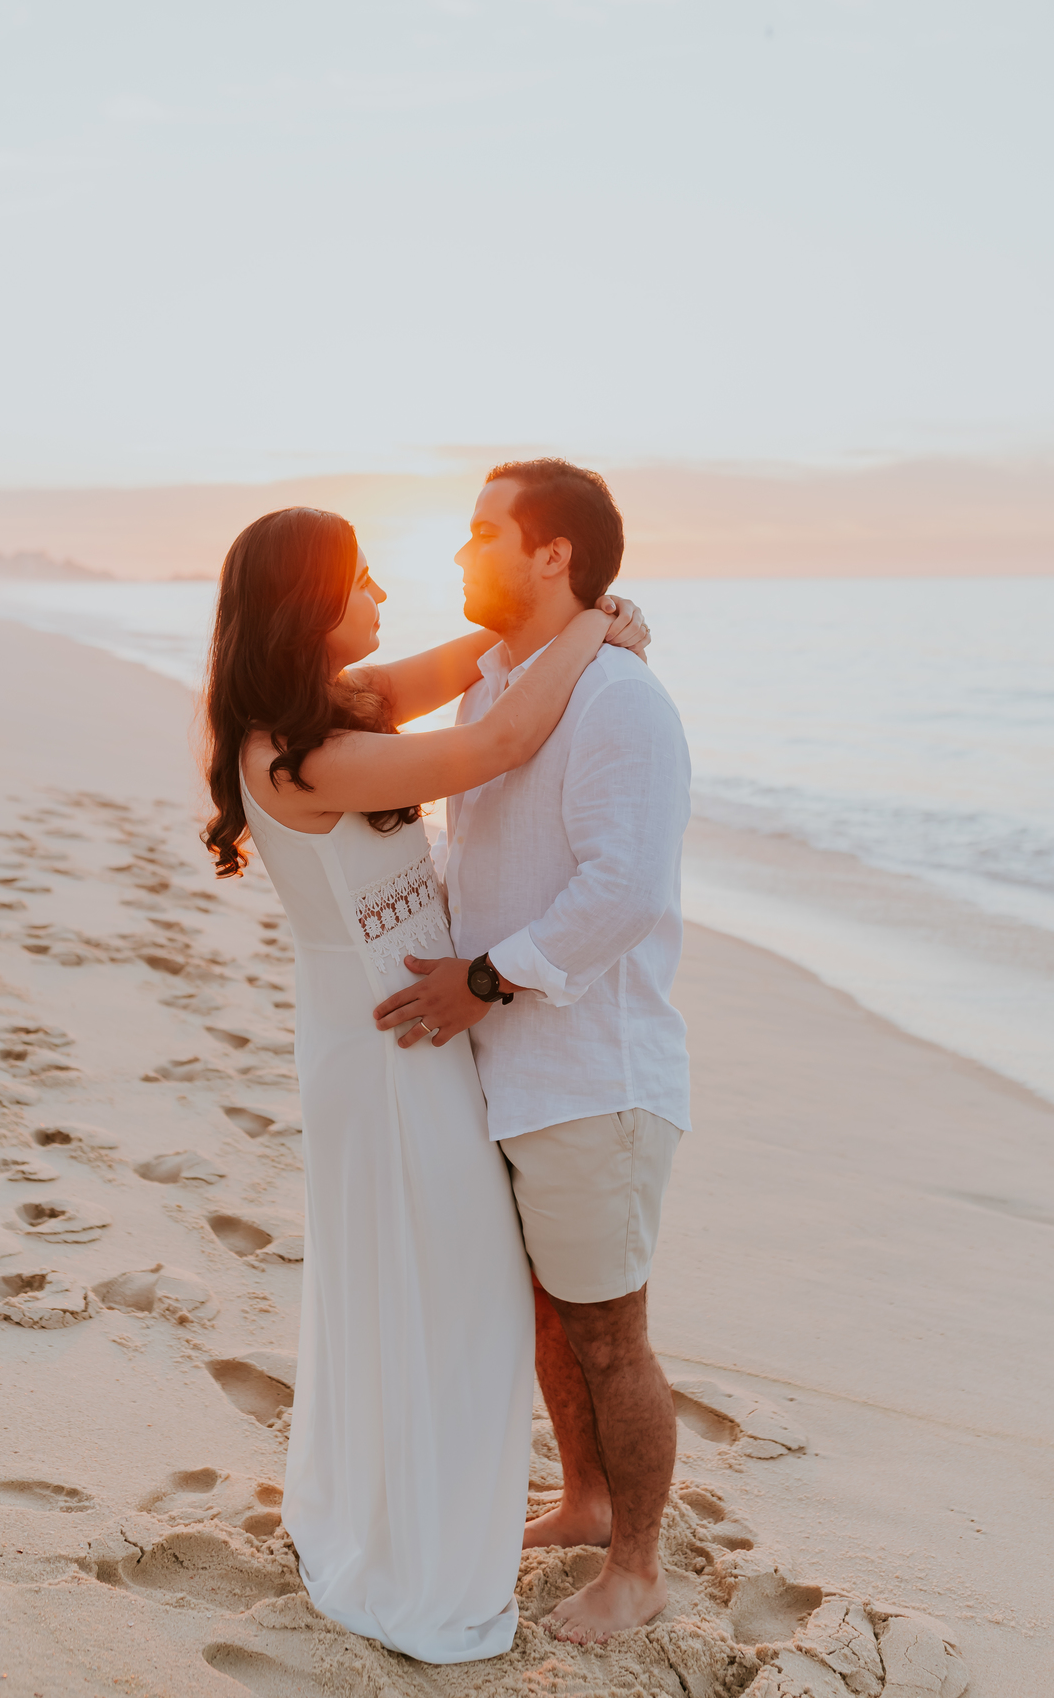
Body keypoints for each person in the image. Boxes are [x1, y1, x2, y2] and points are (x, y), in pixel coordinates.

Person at [199, 504, 651, 1665]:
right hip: (386, 1050)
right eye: (362, 582)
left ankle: (407, 1510)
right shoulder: (302, 752)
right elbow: (492, 747)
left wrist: (565, 631)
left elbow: (479, 662)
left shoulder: (335, 706)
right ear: (309, 602)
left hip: (406, 1040)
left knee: (427, 1287)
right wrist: (594, 628)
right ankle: (419, 1554)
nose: (384, 600)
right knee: (456, 1297)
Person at [373, 458, 692, 1646]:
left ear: (552, 551)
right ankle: (585, 1501)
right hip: (507, 1067)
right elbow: (494, 856)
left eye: (480, 532)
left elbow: (623, 893)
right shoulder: (504, 684)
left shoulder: (619, 699)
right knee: (554, 1322)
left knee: (611, 1332)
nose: (460, 553)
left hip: (592, 1076)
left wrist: (485, 979)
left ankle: (641, 1565)